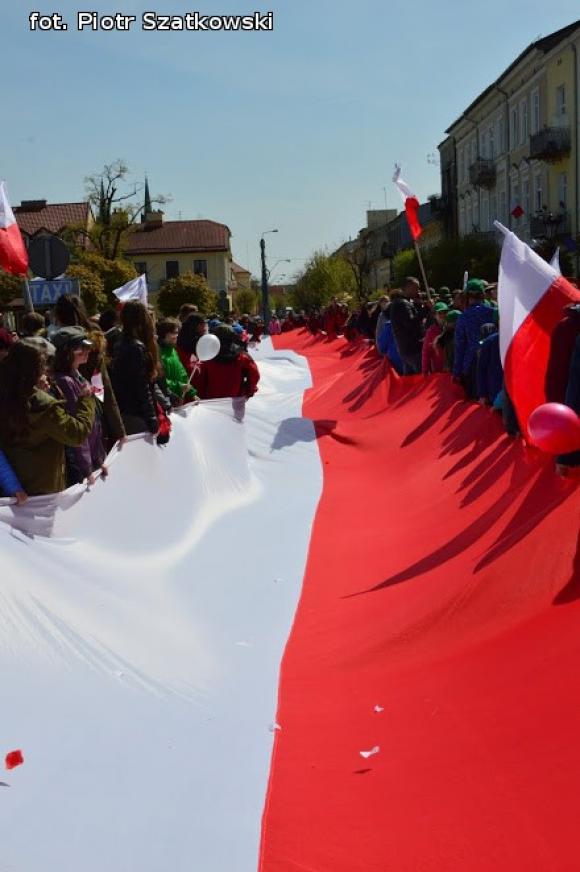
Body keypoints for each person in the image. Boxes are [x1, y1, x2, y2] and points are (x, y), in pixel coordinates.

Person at [0, 342, 96, 495]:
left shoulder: (6, 394)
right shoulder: (45, 407)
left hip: (14, 488)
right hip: (43, 490)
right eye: (42, 365)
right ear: (35, 370)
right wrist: (86, 400)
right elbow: (77, 434)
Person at [52, 327, 107, 486]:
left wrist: (98, 459)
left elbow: (93, 423)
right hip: (82, 465)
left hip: (92, 457)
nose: (87, 351)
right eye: (81, 348)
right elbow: (78, 430)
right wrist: (87, 467)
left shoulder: (76, 374)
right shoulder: (65, 381)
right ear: (67, 352)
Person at [110, 301, 160, 436]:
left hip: (125, 410)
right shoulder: (136, 347)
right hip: (137, 414)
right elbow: (141, 385)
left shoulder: (119, 343)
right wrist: (151, 418)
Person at [453, 279, 497, 397]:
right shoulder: (494, 313)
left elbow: (460, 346)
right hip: (493, 361)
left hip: (472, 364)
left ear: (467, 296)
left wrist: (457, 371)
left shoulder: (463, 318)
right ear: (483, 295)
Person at [192, 324, 260, 400]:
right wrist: (248, 391)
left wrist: (201, 396)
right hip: (235, 399)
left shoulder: (207, 356)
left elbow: (199, 379)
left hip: (211, 401)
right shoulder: (242, 356)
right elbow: (254, 375)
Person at [157, 318, 197, 405]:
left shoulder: (173, 350)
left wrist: (192, 393)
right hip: (167, 401)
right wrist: (179, 386)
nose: (176, 336)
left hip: (179, 399)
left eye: (177, 333)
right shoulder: (158, 354)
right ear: (163, 334)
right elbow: (160, 381)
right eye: (173, 333)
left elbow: (182, 373)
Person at [389, 277, 425, 374]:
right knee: (420, 377)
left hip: (405, 348)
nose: (417, 291)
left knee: (409, 378)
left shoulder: (401, 302)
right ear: (408, 288)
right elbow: (411, 323)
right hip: (412, 348)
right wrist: (425, 310)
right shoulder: (402, 304)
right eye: (415, 288)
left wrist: (417, 305)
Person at [476, 324, 503, 406]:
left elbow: (481, 369)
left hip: (494, 392)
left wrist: (482, 394)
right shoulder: (518, 338)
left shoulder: (489, 341)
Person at [422, 302, 448, 374]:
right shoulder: (431, 332)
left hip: (452, 368)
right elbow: (426, 352)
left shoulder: (453, 327)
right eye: (440, 313)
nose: (443, 315)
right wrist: (425, 371)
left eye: (445, 312)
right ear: (434, 315)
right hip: (438, 369)